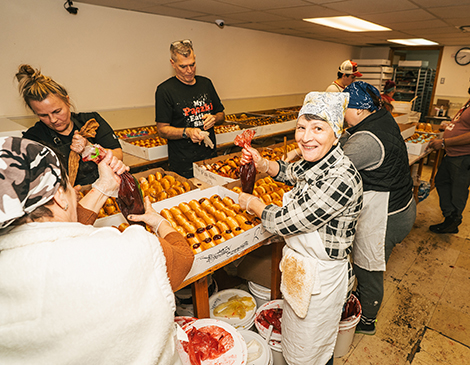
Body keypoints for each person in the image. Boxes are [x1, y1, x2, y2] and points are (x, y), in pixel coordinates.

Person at [0, 137, 194, 364]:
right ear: (60, 196)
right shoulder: (124, 252)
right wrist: (159, 222)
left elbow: (57, 229)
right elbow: (183, 257)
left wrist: (103, 187)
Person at [238, 92, 363, 365]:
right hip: (301, 271)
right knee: (294, 339)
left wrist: (253, 204)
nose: (306, 137)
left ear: (336, 133)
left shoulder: (340, 177)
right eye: (301, 127)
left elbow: (284, 222)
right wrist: (264, 165)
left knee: (312, 352)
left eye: (318, 128)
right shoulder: (318, 160)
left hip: (321, 279)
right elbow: (291, 173)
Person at [341, 81, 416, 335]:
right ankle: (362, 298)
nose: (342, 114)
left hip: (387, 215)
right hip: (401, 204)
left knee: (367, 266)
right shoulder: (381, 117)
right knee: (370, 263)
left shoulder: (367, 140)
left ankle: (367, 320)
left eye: (344, 108)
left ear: (361, 110)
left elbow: (333, 170)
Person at [16, 64, 122, 186]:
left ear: (67, 101)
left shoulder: (91, 122)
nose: (53, 120)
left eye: (57, 111)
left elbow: (118, 156)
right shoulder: (33, 138)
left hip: (107, 189)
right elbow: (34, 183)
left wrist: (90, 149)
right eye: (43, 115)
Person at [155, 39, 225, 178]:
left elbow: (221, 115)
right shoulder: (165, 90)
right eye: (183, 66)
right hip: (183, 164)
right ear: (172, 64)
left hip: (210, 159)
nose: (189, 70)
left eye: (192, 65)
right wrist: (187, 132)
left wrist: (215, 118)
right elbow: (162, 129)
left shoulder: (206, 84)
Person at [427, 92, 470, 234]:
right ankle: (450, 216)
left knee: (458, 189)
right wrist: (451, 126)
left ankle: (453, 220)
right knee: (441, 181)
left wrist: (445, 142)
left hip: (463, 156)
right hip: (452, 154)